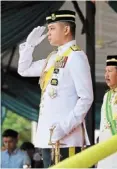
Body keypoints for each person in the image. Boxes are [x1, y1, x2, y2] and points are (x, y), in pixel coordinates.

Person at [18, 10, 93, 167]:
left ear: (66, 30)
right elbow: (23, 70)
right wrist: (29, 46)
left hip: (66, 139)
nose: (48, 33)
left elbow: (86, 98)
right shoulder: (53, 57)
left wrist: (64, 128)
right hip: (48, 137)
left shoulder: (76, 56)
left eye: (52, 28)